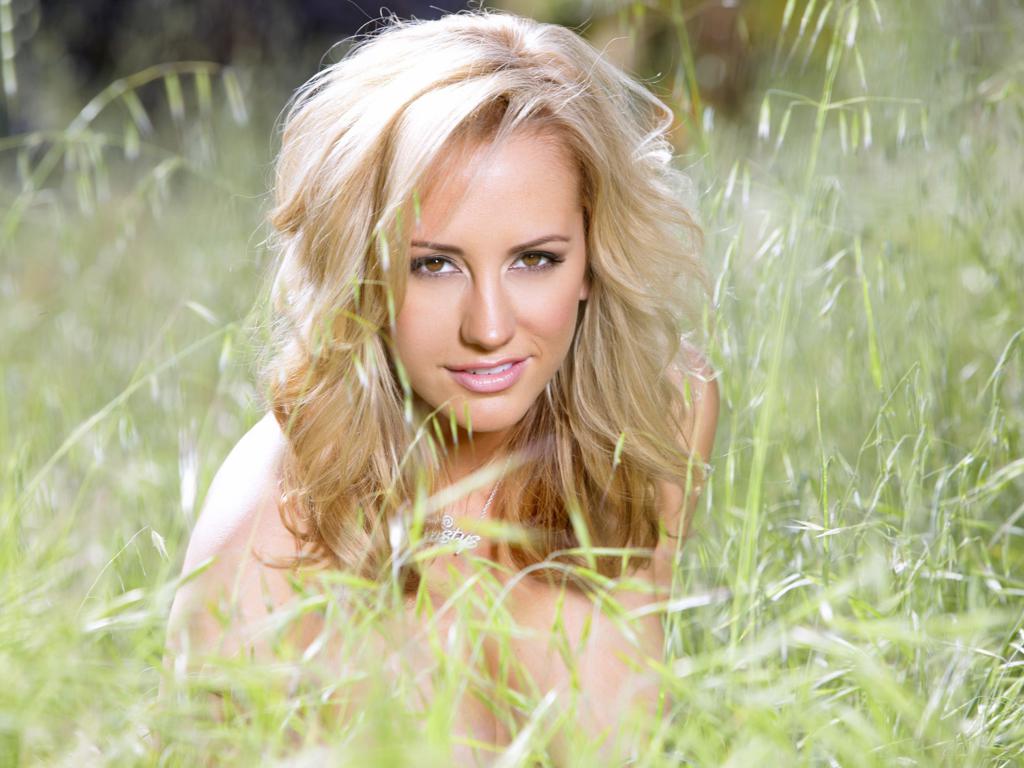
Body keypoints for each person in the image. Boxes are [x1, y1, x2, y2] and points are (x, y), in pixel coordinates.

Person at [163, 8, 719, 766]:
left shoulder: (656, 418)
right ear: (363, 271)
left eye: (535, 259)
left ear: (593, 254)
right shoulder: (275, 516)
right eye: (434, 265)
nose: (489, 328)